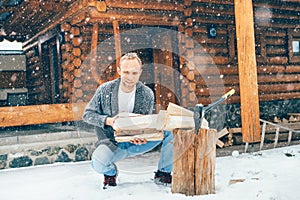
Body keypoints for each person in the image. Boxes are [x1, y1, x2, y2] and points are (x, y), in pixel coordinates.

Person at [82, 52, 174, 189]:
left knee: (169, 131)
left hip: (136, 143)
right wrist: (108, 121)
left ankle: (163, 172)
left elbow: (144, 121)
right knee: (98, 163)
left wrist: (142, 136)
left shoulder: (147, 93)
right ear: (118, 70)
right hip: (112, 143)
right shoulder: (104, 90)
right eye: (126, 72)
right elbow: (87, 115)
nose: (130, 77)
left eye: (134, 73)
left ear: (140, 72)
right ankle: (111, 173)